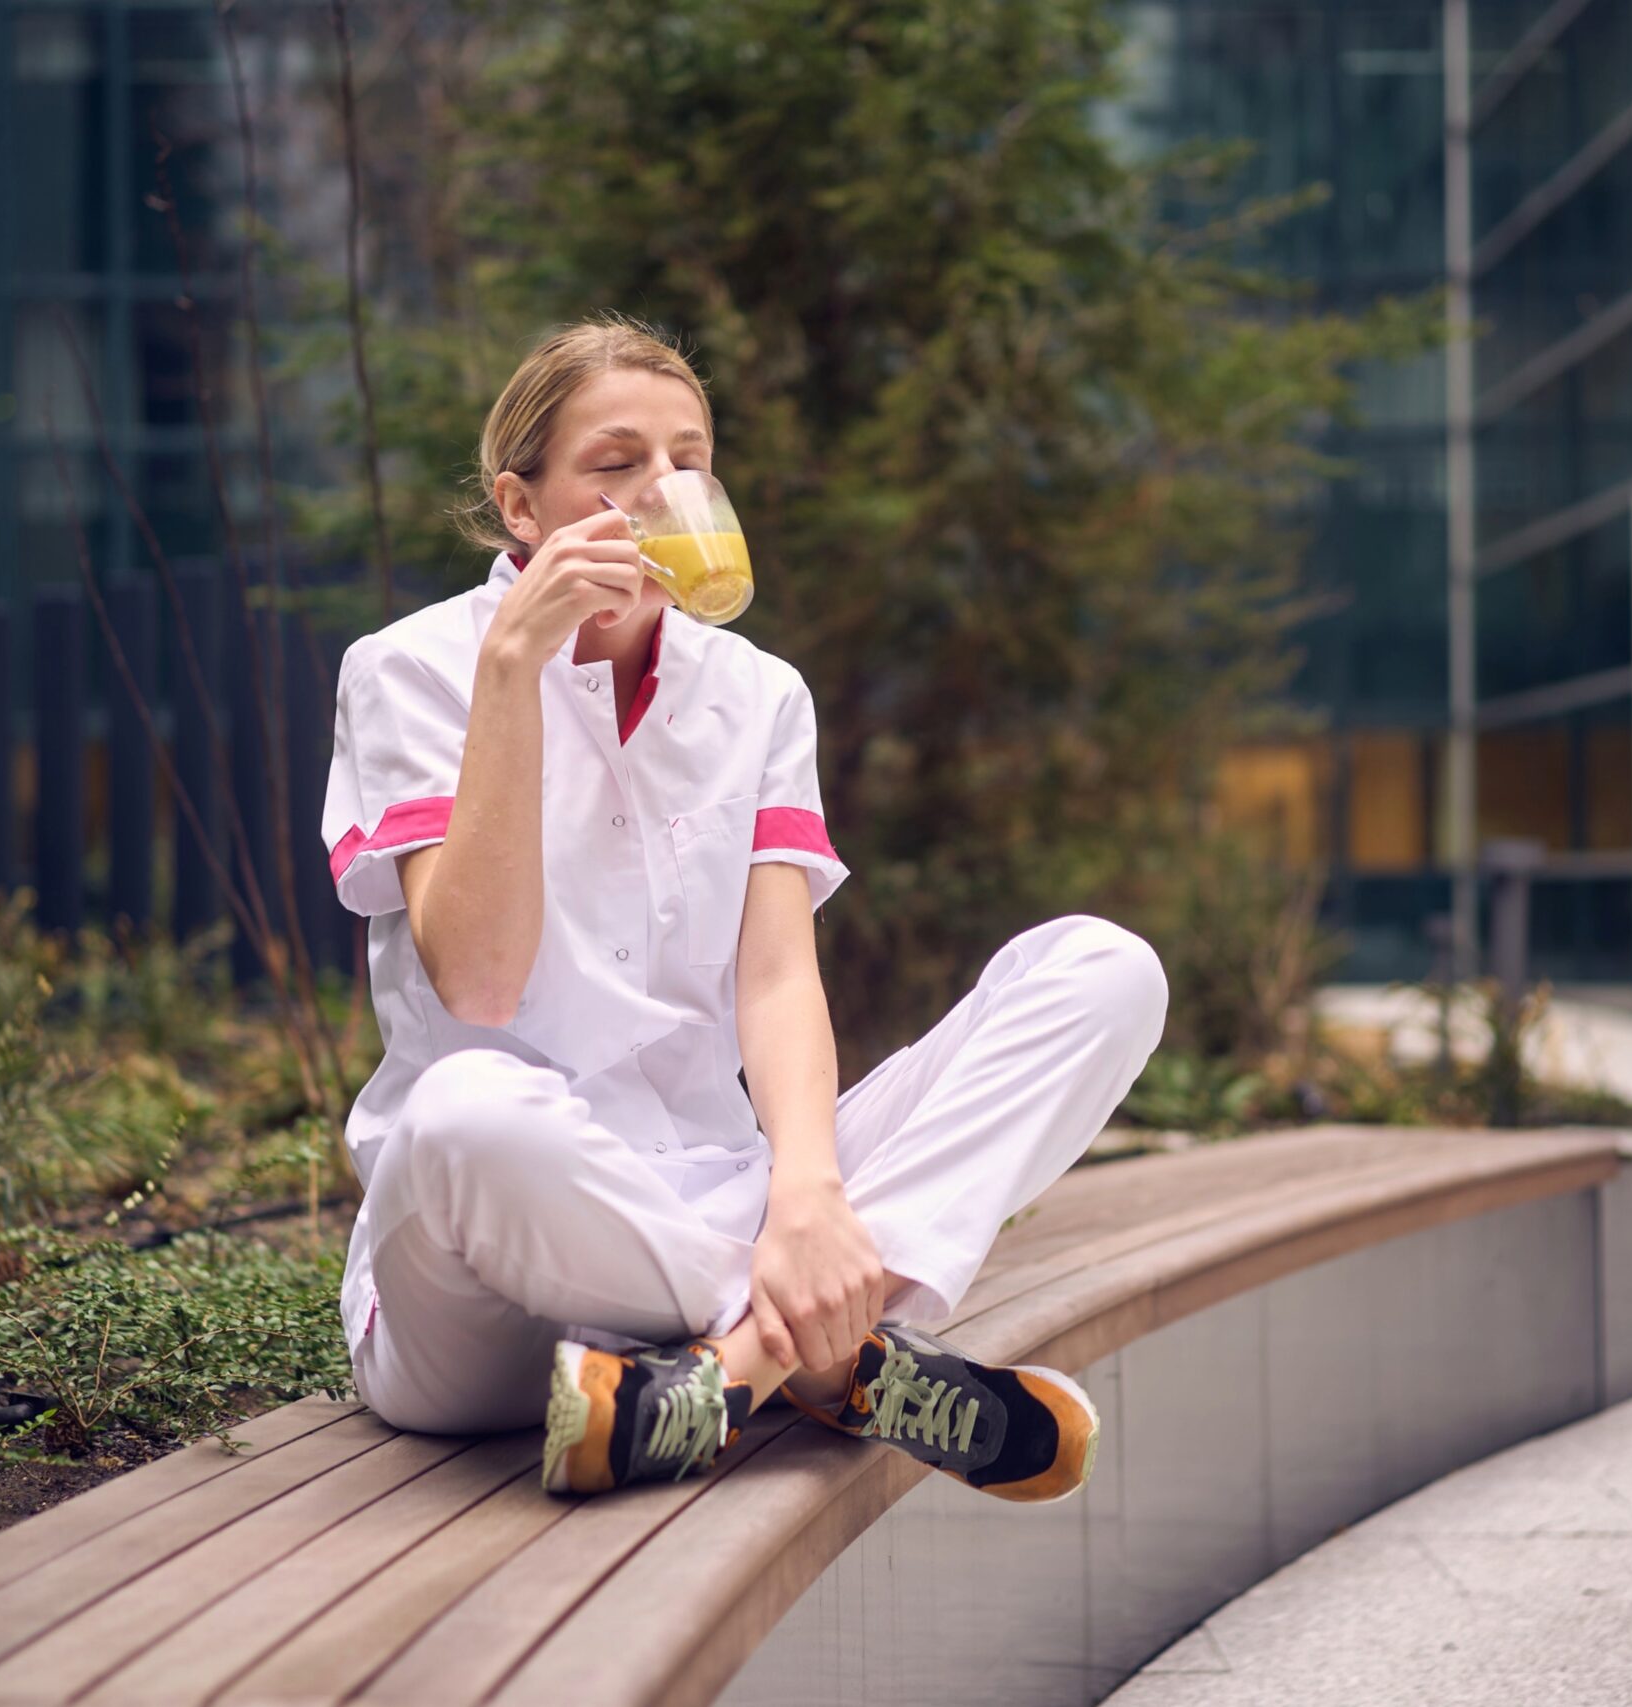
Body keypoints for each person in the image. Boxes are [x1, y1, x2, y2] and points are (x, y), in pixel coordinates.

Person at [322, 315, 1170, 1502]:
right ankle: (834, 1363)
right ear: (523, 509)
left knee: (1103, 966)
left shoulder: (760, 696)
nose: (664, 492)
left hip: (712, 1198)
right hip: (475, 1293)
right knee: (465, 1108)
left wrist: (809, 1195)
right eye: (616, 466)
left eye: (691, 461)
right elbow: (479, 984)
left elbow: (777, 980)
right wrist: (513, 670)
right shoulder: (408, 671)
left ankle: (736, 1369)